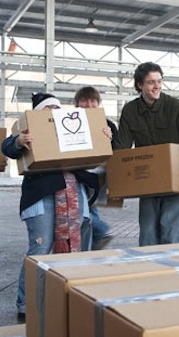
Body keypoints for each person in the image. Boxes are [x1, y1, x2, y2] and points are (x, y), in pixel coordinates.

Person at [2, 92, 101, 320]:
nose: (55, 111)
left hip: (76, 197)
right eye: (49, 108)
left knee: (78, 251)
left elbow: (103, 142)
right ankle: (26, 303)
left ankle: (73, 296)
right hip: (42, 197)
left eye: (58, 107)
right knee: (41, 248)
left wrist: (107, 133)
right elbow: (7, 146)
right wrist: (18, 141)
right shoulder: (29, 131)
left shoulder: (72, 129)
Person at [114, 62, 179, 246]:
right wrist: (115, 182)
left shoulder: (174, 106)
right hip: (148, 181)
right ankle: (150, 272)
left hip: (175, 180)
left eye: (159, 81)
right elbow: (121, 149)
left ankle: (172, 272)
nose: (157, 86)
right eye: (150, 82)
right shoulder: (130, 111)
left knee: (170, 233)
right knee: (147, 234)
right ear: (140, 85)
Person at [73, 86, 117, 250]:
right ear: (77, 104)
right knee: (85, 211)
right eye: (84, 100)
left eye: (93, 100)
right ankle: (93, 244)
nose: (89, 104)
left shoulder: (108, 125)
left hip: (95, 176)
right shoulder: (70, 122)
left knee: (85, 212)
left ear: (98, 103)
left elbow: (115, 151)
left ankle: (99, 233)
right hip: (76, 174)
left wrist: (109, 138)